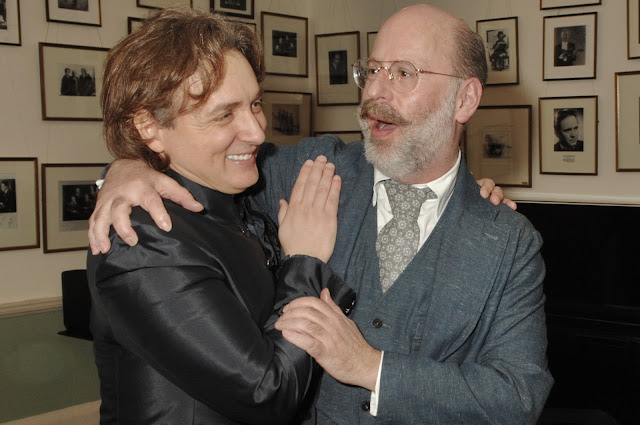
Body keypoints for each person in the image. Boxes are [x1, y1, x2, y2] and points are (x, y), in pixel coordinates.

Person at [89, 4, 553, 424]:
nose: (375, 91)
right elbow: (198, 158)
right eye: (372, 69)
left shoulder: (508, 241)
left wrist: (370, 367)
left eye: (403, 73)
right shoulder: (305, 171)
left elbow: (518, 396)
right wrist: (126, 168)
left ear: (465, 99)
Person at [87, 7, 355, 425]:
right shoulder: (143, 237)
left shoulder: (238, 200)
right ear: (148, 126)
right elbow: (267, 391)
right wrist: (304, 261)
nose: (256, 131)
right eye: (224, 114)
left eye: (255, 105)